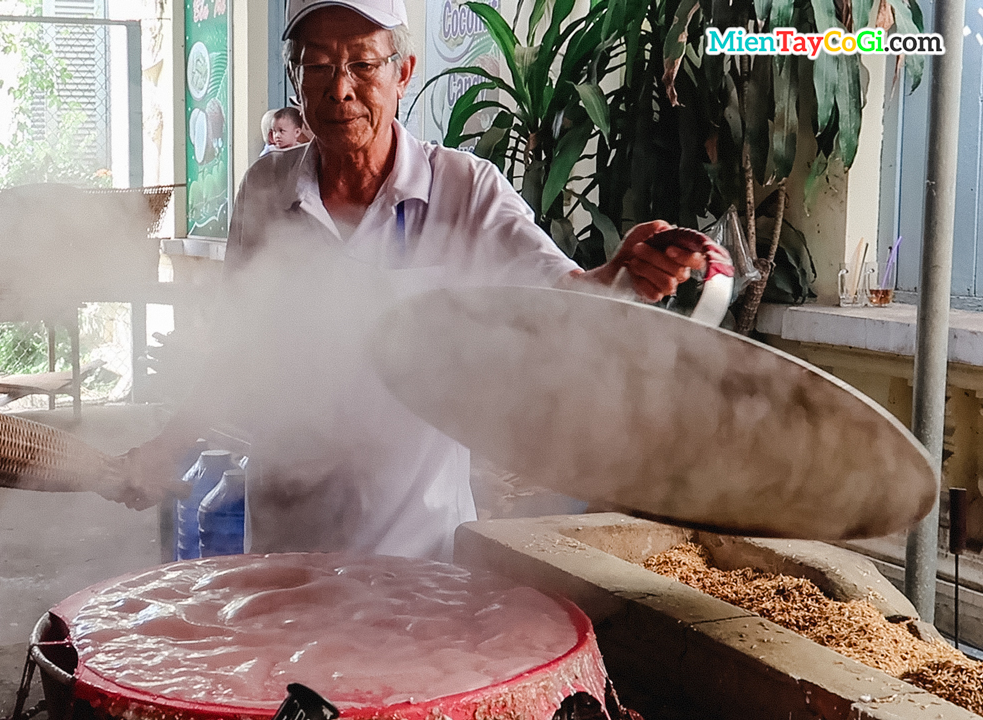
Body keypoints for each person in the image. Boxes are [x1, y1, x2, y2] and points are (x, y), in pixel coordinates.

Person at [116, 0, 717, 561]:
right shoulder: (266, 189)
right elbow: (238, 349)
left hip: (421, 556)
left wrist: (620, 276)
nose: (340, 88)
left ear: (402, 72)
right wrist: (167, 445)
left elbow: (563, 298)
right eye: (317, 65)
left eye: (361, 64)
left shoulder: (465, 191)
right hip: (283, 551)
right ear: (296, 79)